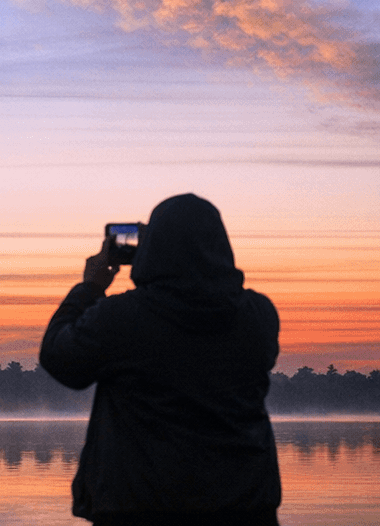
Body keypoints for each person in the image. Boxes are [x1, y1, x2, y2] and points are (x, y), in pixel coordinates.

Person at [39, 194, 282, 526]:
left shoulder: (121, 319)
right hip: (245, 509)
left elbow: (59, 357)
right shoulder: (259, 316)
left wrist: (90, 288)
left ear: (152, 250)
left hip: (141, 510)